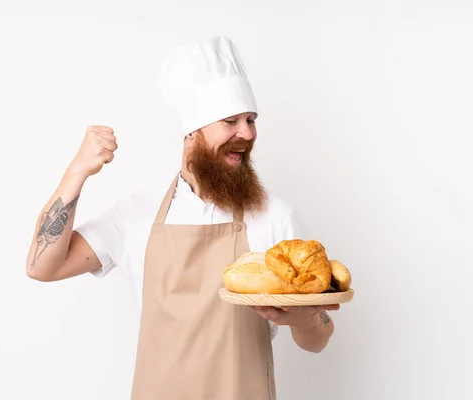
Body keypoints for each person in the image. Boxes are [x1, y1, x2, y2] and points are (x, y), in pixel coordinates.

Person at [26, 36, 339, 399]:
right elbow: (42, 267)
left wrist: (304, 319)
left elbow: (317, 341)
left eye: (251, 120)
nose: (248, 133)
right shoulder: (135, 215)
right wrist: (76, 172)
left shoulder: (274, 217)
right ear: (193, 129)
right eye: (231, 121)